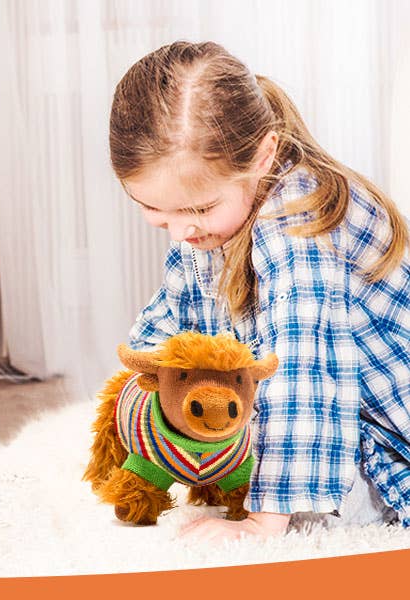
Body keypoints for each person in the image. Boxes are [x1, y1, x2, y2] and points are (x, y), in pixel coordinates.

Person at [109, 41, 410, 540]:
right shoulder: (209, 216)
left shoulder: (299, 224)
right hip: (338, 407)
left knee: (320, 511)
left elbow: (307, 373)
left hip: (385, 430)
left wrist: (262, 523)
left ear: (263, 156)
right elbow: (176, 314)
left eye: (199, 210)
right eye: (154, 210)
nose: (181, 230)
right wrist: (139, 407)